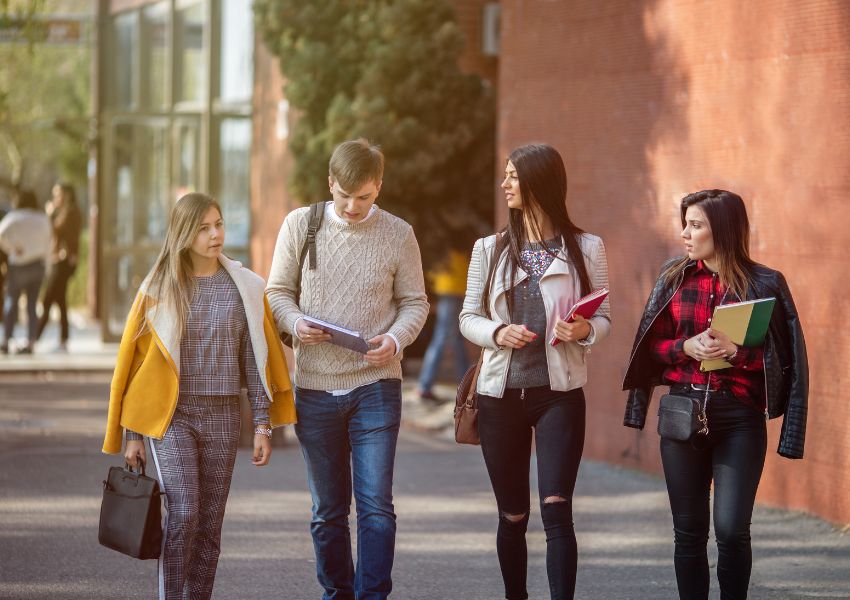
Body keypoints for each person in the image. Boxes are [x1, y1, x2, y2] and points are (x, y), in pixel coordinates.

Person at [102, 193, 296, 600]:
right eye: (204, 227)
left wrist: (262, 423)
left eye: (219, 224)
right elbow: (137, 365)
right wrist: (132, 434)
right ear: (184, 234)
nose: (215, 235)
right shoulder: (157, 288)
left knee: (209, 524)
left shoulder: (245, 287)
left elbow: (255, 360)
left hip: (224, 415)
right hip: (172, 416)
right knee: (184, 512)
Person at [622, 189, 808, 600]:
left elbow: (784, 359)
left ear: (721, 229)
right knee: (687, 534)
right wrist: (684, 347)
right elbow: (648, 348)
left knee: (731, 530)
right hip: (682, 414)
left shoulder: (765, 282)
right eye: (685, 223)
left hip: (740, 419)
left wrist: (736, 353)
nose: (686, 233)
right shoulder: (674, 277)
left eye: (696, 225)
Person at [266, 138, 429, 600]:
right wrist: (296, 322)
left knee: (376, 507)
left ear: (378, 186)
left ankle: (372, 596)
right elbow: (277, 292)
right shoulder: (301, 224)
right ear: (331, 183)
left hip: (376, 384)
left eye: (364, 196)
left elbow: (415, 303)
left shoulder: (399, 233)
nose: (353, 207)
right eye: (344, 196)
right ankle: (337, 592)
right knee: (328, 511)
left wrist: (395, 339)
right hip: (315, 387)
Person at [459, 143, 611, 600]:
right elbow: (468, 316)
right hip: (499, 397)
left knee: (557, 509)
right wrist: (497, 332)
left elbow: (604, 319)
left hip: (559, 394)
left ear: (539, 182)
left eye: (513, 176)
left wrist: (584, 329)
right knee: (513, 516)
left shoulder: (586, 247)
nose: (505, 184)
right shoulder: (489, 249)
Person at [416, 243, 472, 403]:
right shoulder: (453, 237)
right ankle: (425, 385)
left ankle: (465, 385)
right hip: (452, 291)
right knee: (443, 340)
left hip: (452, 290)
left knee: (456, 340)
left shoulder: (442, 238)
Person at [0, 189, 51, 354]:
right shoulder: (43, 219)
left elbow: (1, 234)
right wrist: (47, 267)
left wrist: (12, 248)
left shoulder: (15, 217)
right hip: (38, 265)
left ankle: (6, 340)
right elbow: (49, 244)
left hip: (19, 265)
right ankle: (30, 343)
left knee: (11, 302)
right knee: (31, 305)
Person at [36, 182, 83, 351]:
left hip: (63, 262)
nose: (55, 198)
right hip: (60, 260)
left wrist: (49, 214)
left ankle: (33, 338)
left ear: (67, 195)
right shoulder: (65, 212)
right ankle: (64, 339)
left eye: (58, 194)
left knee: (48, 299)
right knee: (60, 300)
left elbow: (57, 231)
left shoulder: (70, 213)